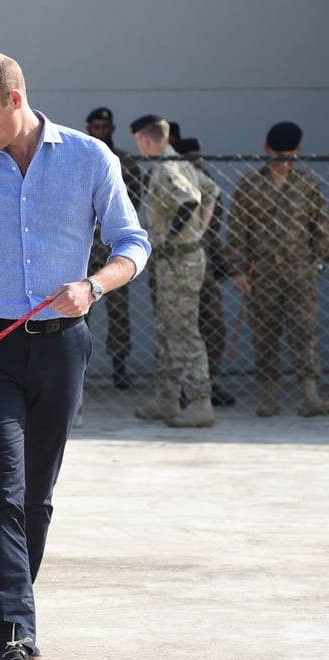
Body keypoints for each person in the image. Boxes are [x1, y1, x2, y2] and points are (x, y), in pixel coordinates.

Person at [0, 52, 150, 660]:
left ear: (15, 98)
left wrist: (93, 287)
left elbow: (133, 244)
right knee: (2, 492)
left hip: (62, 343)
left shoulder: (90, 158)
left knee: (37, 496)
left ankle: (17, 606)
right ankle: (13, 634)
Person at [225, 121, 329, 417]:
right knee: (265, 333)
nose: (285, 162)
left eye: (291, 156)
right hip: (263, 274)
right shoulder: (250, 185)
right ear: (268, 150)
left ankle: (309, 395)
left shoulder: (307, 184)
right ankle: (269, 396)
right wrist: (239, 270)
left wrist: (317, 263)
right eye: (279, 155)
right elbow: (237, 231)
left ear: (298, 151)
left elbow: (321, 228)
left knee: (304, 333)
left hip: (300, 273)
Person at [130, 114, 217, 427]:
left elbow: (190, 201)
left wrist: (172, 237)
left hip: (179, 261)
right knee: (166, 329)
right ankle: (168, 399)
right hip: (176, 260)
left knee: (183, 331)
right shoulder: (179, 163)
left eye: (138, 140)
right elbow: (211, 191)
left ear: (146, 139)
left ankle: (200, 403)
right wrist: (199, 233)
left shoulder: (168, 168)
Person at [172, 137, 236, 407]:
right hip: (176, 265)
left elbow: (212, 232)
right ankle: (181, 387)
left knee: (214, 327)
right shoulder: (170, 180)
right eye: (190, 159)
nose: (196, 163)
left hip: (205, 264)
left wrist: (222, 261)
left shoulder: (207, 183)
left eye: (198, 158)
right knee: (180, 328)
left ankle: (205, 381)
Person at [85, 107, 144, 390]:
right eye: (95, 126)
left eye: (104, 127)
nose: (100, 131)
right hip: (84, 249)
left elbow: (133, 204)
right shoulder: (80, 158)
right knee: (78, 310)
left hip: (112, 250)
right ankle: (75, 367)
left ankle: (119, 367)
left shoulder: (126, 162)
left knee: (119, 311)